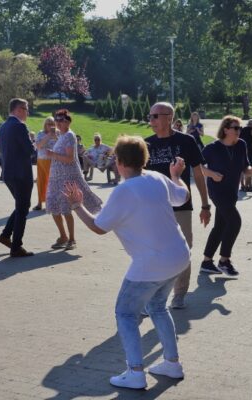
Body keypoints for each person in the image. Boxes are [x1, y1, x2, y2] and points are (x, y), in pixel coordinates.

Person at [63, 136, 190, 389]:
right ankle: (172, 364)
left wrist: (77, 205)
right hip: (179, 256)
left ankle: (135, 372)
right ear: (144, 160)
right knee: (157, 306)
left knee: (125, 313)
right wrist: (176, 174)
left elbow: (99, 227)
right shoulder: (156, 177)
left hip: (152, 263)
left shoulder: (123, 190)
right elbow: (183, 196)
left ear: (119, 163)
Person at [146, 102, 211, 309]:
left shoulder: (186, 141)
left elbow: (198, 173)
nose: (152, 120)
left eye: (156, 116)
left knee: (183, 251)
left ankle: (179, 293)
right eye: (150, 116)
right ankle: (153, 295)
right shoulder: (146, 144)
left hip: (182, 206)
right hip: (155, 208)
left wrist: (205, 205)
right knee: (154, 251)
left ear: (169, 117)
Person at [200, 116, 252, 276]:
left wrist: (251, 171)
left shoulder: (241, 145)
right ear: (225, 129)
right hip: (217, 191)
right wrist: (212, 174)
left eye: (239, 128)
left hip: (232, 192)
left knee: (220, 226)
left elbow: (244, 167)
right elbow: (197, 166)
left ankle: (206, 261)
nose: (239, 131)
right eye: (235, 128)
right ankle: (224, 261)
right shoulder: (212, 147)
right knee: (234, 222)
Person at [46, 109, 102, 250]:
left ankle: (71, 239)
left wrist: (53, 154)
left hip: (67, 176)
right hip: (56, 177)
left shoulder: (70, 136)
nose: (57, 123)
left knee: (66, 209)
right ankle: (63, 236)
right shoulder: (62, 135)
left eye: (60, 120)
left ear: (67, 122)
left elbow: (69, 158)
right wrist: (52, 136)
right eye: (56, 120)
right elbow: (53, 136)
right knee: (54, 207)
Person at [0, 98, 35, 257]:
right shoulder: (19, 126)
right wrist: (33, 143)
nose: (27, 112)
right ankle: (16, 246)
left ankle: (6, 235)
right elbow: (29, 151)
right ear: (18, 109)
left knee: (22, 206)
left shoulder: (3, 126)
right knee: (22, 208)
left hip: (8, 173)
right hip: (21, 174)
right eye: (26, 109)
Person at [33, 117, 58, 211]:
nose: (50, 125)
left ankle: (51, 203)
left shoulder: (58, 134)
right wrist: (48, 136)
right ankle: (39, 203)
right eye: (48, 123)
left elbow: (61, 146)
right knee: (40, 182)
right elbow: (38, 146)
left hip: (54, 161)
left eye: (52, 123)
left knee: (51, 183)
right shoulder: (40, 133)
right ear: (45, 125)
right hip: (42, 160)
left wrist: (55, 136)